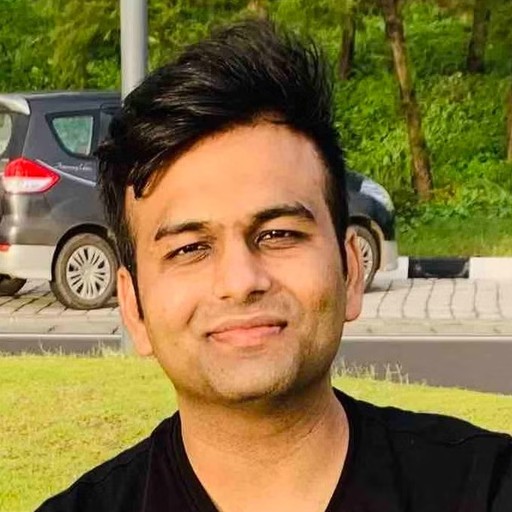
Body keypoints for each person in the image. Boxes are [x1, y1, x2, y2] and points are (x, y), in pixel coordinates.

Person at [36, 19, 512, 512]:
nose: (241, 281)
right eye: (190, 248)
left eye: (278, 234)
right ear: (133, 307)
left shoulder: (488, 488)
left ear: (350, 270)